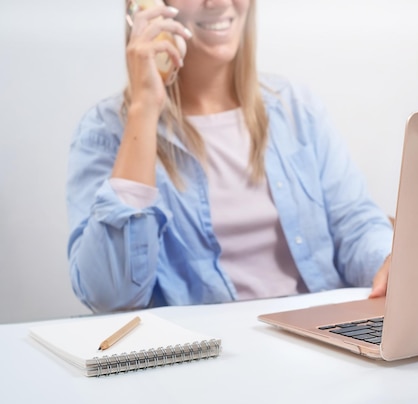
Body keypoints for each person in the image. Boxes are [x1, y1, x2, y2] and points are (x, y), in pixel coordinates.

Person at [66, 0, 393, 313]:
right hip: (207, 357)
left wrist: (391, 262)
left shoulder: (297, 108)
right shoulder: (107, 131)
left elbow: (355, 224)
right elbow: (110, 296)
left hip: (318, 344)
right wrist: (144, 109)